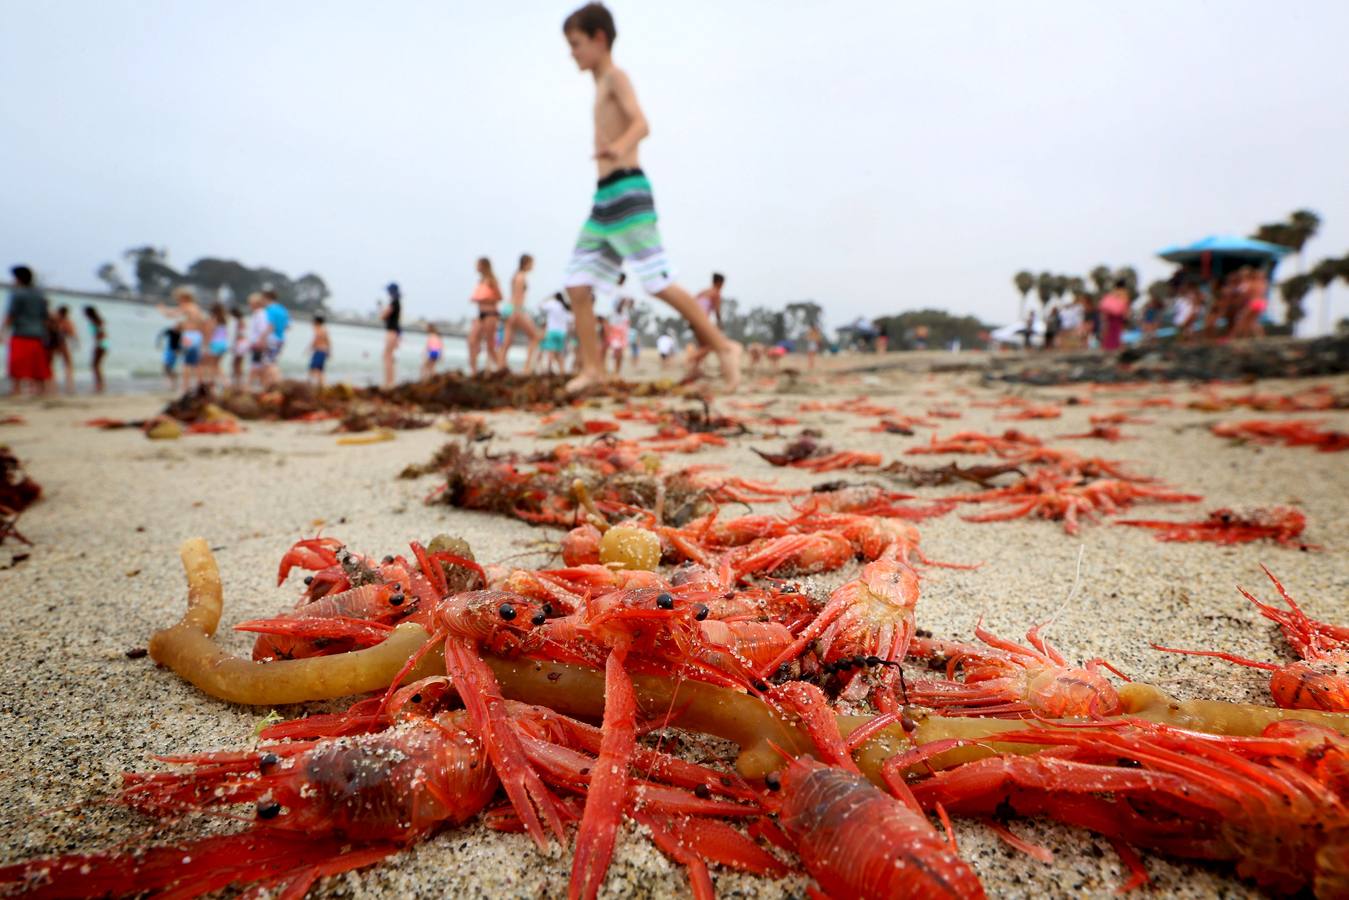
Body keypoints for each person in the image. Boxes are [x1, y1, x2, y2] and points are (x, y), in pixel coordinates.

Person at [560, 4, 740, 394]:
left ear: (599, 39)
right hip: (604, 199)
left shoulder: (614, 77)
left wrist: (618, 148)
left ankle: (724, 347)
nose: (571, 52)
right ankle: (593, 370)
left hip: (628, 192)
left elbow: (642, 123)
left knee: (657, 282)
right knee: (577, 283)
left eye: (575, 44)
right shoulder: (598, 84)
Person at [3, 265, 52, 395]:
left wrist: (2, 331)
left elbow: (11, 315)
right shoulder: (39, 294)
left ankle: (16, 390)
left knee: (17, 364)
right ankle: (42, 390)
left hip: (21, 333)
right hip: (38, 334)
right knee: (38, 365)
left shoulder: (17, 294)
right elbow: (45, 316)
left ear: (18, 279)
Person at [498, 254, 542, 372]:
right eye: (532, 263)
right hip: (515, 309)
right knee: (535, 336)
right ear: (527, 263)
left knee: (507, 340)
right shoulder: (521, 277)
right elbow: (517, 296)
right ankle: (527, 367)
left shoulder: (516, 276)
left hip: (510, 309)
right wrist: (517, 312)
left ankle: (501, 365)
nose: (533, 266)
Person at [159, 287, 209, 391]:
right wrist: (205, 341)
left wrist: (162, 309)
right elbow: (203, 323)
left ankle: (185, 387)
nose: (178, 301)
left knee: (186, 363)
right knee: (196, 363)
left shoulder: (186, 306)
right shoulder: (196, 308)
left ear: (183, 298)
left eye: (178, 299)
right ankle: (201, 384)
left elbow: (171, 314)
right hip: (197, 336)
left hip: (189, 335)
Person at [687, 272, 726, 378]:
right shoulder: (716, 293)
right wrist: (720, 325)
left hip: (692, 319)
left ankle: (694, 370)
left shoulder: (703, 292)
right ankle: (690, 360)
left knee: (702, 346)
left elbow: (691, 303)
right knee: (711, 345)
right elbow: (717, 312)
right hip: (701, 321)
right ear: (719, 282)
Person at [466, 260, 501, 376]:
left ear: (484, 266)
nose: (476, 267)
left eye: (478, 265)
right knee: (471, 341)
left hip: (491, 314)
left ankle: (500, 368)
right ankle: (473, 371)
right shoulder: (480, 281)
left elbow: (499, 297)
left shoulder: (492, 280)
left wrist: (483, 299)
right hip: (480, 314)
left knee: (490, 345)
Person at [261, 289, 290, 387]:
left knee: (269, 364)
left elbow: (270, 326)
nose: (262, 301)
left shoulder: (270, 309)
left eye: (263, 299)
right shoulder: (283, 309)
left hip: (272, 339)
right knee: (271, 363)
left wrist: (262, 338)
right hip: (281, 339)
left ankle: (280, 384)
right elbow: (287, 326)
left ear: (267, 298)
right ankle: (270, 386)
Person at [48, 305, 79, 393]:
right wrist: (76, 343)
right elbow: (72, 333)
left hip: (53, 343)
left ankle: (52, 381)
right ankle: (69, 381)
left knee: (50, 363)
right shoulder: (66, 321)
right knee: (68, 363)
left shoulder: (54, 319)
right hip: (62, 343)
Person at [541, 291, 572, 375]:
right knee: (559, 353)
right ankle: (562, 371)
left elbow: (541, 305)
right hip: (562, 333)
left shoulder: (552, 304)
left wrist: (549, 297)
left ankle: (549, 369)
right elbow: (570, 320)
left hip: (552, 331)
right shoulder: (565, 307)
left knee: (551, 351)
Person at [380, 283, 402, 388]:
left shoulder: (394, 303)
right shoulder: (397, 303)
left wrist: (381, 308)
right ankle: (390, 382)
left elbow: (383, 316)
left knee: (387, 356)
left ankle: (389, 382)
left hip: (392, 332)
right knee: (389, 357)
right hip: (395, 332)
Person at [1098, 280, 1129, 351]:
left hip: (1110, 315)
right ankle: (1114, 346)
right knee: (1116, 331)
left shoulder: (1112, 293)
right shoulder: (1124, 293)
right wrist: (1125, 315)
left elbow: (1105, 304)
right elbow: (1124, 305)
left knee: (1110, 331)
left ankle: (1108, 346)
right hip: (1118, 315)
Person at [246, 293, 270, 388]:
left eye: (250, 303)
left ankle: (247, 386)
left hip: (258, 344)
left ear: (256, 303)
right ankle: (264, 386)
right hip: (256, 343)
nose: (249, 305)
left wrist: (261, 342)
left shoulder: (260, 314)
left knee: (255, 366)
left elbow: (263, 330)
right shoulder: (259, 313)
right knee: (260, 367)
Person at [83, 305, 107, 393]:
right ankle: (100, 384)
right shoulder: (97, 321)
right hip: (104, 343)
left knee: (94, 365)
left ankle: (99, 384)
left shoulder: (94, 322)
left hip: (101, 343)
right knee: (96, 365)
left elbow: (100, 334)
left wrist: (97, 344)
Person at [205, 303, 230, 386]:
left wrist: (206, 345)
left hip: (215, 343)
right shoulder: (224, 320)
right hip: (224, 343)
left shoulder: (213, 320)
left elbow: (209, 333)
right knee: (217, 365)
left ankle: (224, 382)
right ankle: (216, 382)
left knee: (213, 366)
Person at [607, 296, 632, 374]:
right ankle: (615, 369)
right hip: (615, 334)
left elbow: (627, 323)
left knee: (620, 353)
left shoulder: (625, 312)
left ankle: (617, 370)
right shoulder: (614, 312)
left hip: (622, 335)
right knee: (616, 352)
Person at [157, 323, 182, 391]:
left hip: (174, 352)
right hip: (169, 350)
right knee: (166, 368)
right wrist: (158, 343)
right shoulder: (170, 331)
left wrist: (180, 351)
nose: (175, 327)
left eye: (177, 327)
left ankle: (173, 382)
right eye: (175, 326)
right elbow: (161, 334)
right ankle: (173, 380)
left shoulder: (180, 333)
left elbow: (181, 343)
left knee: (168, 368)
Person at [308, 315, 331, 389]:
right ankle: (321, 385)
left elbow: (316, 340)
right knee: (320, 369)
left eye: (314, 321)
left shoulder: (318, 330)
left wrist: (310, 348)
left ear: (317, 322)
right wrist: (329, 351)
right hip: (323, 351)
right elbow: (328, 341)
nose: (312, 323)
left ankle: (311, 383)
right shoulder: (324, 330)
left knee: (315, 368)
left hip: (319, 351)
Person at [230, 306, 248, 388]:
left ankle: (237, 382)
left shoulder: (237, 322)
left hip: (239, 343)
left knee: (235, 363)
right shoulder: (243, 321)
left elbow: (236, 334)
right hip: (244, 343)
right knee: (239, 363)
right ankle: (239, 381)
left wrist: (233, 345)